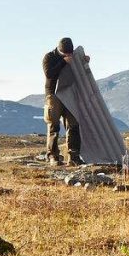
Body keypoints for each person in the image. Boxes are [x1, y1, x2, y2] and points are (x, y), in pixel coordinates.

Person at [41, 36, 81, 165]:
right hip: (53, 95)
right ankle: (53, 156)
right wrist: (64, 62)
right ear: (60, 50)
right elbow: (49, 74)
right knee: (54, 125)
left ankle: (74, 156)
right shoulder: (49, 57)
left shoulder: (73, 56)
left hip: (70, 94)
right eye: (66, 53)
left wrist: (83, 61)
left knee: (73, 124)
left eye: (70, 53)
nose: (69, 55)